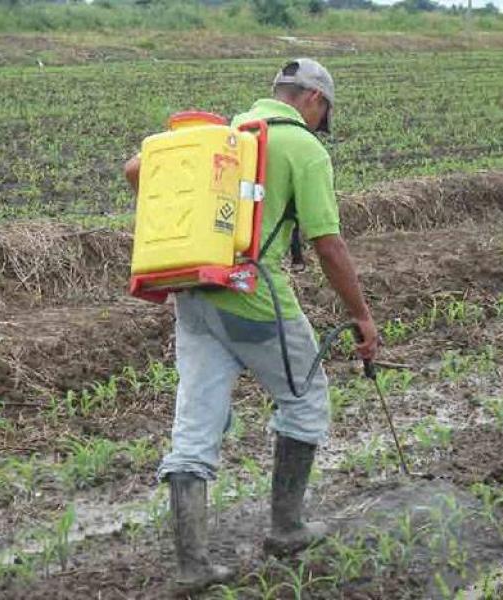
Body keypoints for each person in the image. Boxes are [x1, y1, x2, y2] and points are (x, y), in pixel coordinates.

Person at [124, 58, 379, 595]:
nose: (320, 123)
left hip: (193, 294)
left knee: (195, 427)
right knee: (305, 401)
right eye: (323, 113)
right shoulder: (303, 148)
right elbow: (327, 244)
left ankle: (193, 566)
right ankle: (287, 528)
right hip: (253, 299)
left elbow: (135, 170)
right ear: (313, 99)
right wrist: (360, 314)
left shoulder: (223, 135)